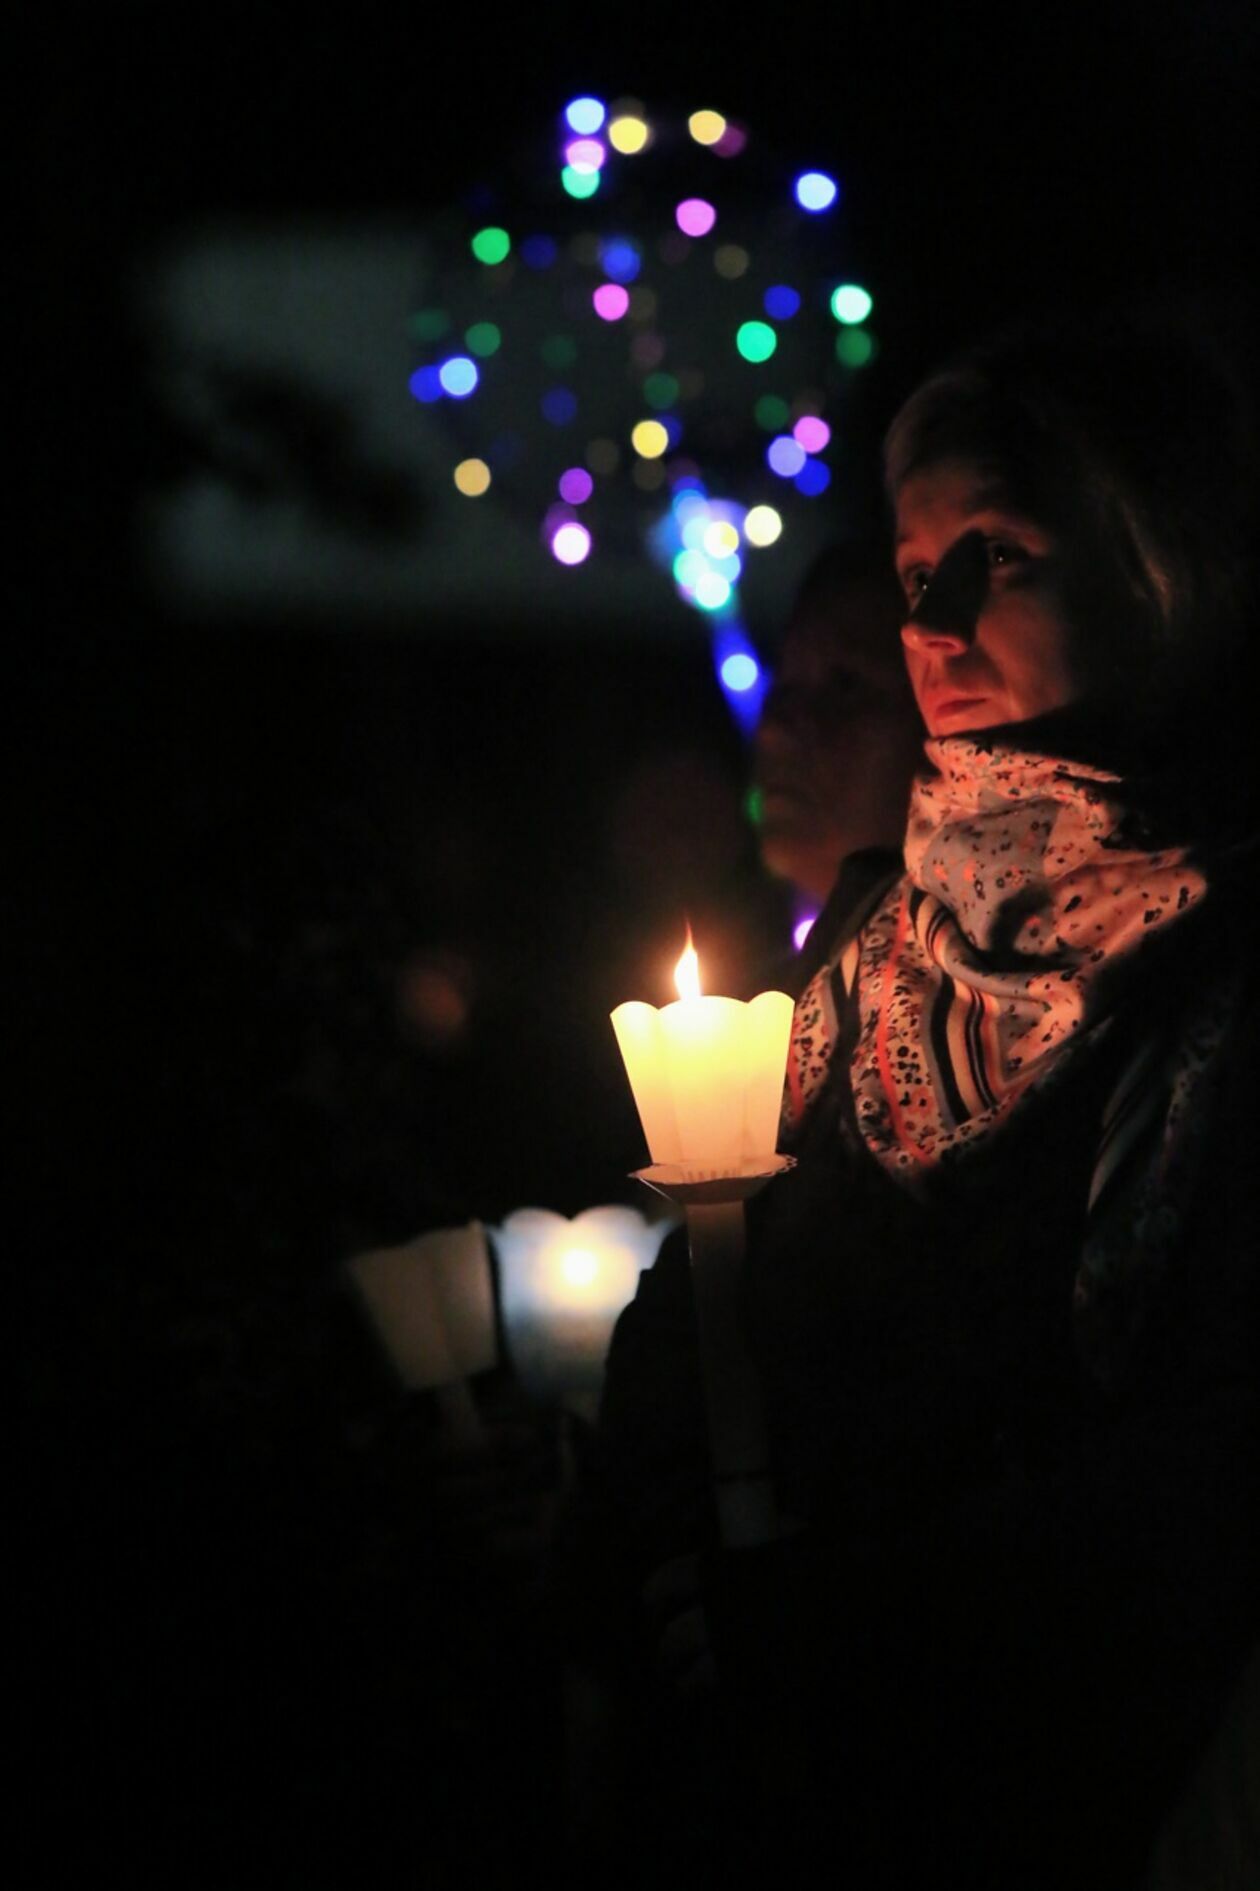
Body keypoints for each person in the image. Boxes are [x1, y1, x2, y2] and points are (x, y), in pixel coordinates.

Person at [569, 312, 1260, 1890]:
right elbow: (691, 1342)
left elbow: (1193, 1482)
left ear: (1162, 570)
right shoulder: (872, 953)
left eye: (997, 555)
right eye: (912, 567)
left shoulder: (1218, 978)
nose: (930, 622)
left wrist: (855, 1614)